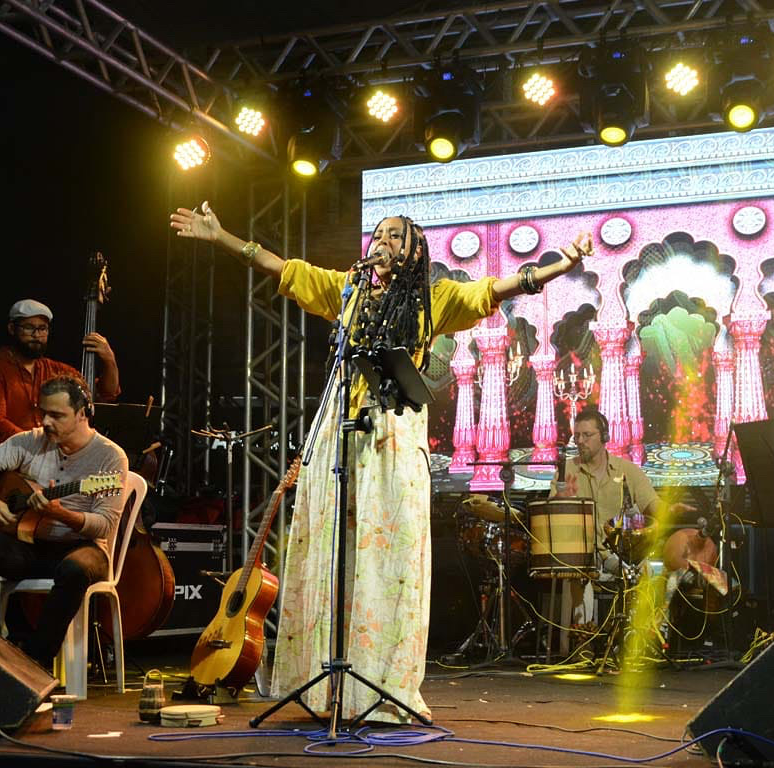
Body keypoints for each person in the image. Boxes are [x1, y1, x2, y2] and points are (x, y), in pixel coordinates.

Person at [169, 201, 592, 723]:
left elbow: (496, 289)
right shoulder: (347, 291)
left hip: (392, 433)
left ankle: (380, 684)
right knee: (334, 552)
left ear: (413, 252)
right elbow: (283, 269)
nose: (383, 241)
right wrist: (222, 236)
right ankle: (327, 685)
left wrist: (561, 265)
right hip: (339, 431)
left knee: (383, 558)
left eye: (395, 235)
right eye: (379, 234)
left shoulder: (434, 298)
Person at [0, 374, 128, 667]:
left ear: (82, 414)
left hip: (84, 547)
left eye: (57, 415)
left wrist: (60, 513)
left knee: (75, 569)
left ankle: (35, 662)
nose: (46, 422)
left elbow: (104, 525)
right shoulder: (30, 441)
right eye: (43, 412)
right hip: (31, 543)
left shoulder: (110, 457)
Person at [551, 408, 660, 642]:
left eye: (587, 435)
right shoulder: (566, 469)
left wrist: (672, 511)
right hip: (583, 554)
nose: (580, 441)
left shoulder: (627, 470)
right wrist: (562, 497)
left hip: (619, 552)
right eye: (577, 436)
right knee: (579, 574)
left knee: (649, 572)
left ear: (604, 437)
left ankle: (641, 641)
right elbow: (552, 514)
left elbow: (653, 506)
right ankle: (583, 645)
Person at [0, 299, 121, 446]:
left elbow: (104, 394)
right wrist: (38, 446)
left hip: (53, 452)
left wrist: (110, 360)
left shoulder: (56, 370)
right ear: (12, 329)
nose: (36, 335)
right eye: (29, 327)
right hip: (13, 453)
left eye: (42, 328)